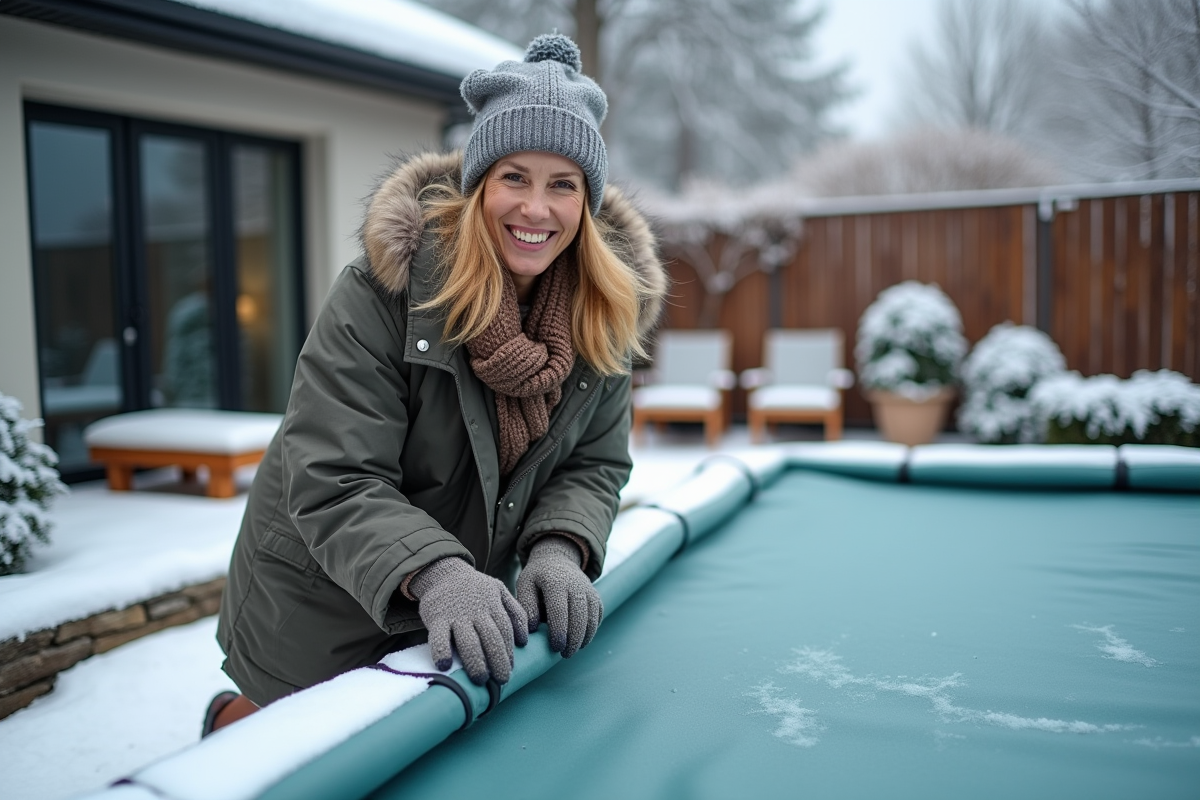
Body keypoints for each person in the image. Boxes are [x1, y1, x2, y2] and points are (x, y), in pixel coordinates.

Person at [203, 33, 667, 735]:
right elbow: (334, 474)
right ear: (480, 183)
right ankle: (226, 721)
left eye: (562, 184)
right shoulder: (384, 292)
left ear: (587, 202)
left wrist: (559, 546)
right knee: (290, 738)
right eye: (515, 176)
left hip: (466, 595)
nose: (536, 209)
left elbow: (592, 464)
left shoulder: (601, 317)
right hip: (322, 594)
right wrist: (438, 574)